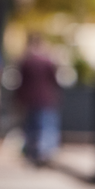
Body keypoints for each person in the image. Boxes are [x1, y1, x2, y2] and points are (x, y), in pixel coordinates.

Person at [16, 33, 62, 165]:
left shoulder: (25, 61)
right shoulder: (47, 61)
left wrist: (19, 99)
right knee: (45, 126)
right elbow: (54, 80)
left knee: (31, 127)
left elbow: (21, 83)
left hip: (29, 99)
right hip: (46, 99)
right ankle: (43, 152)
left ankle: (32, 152)